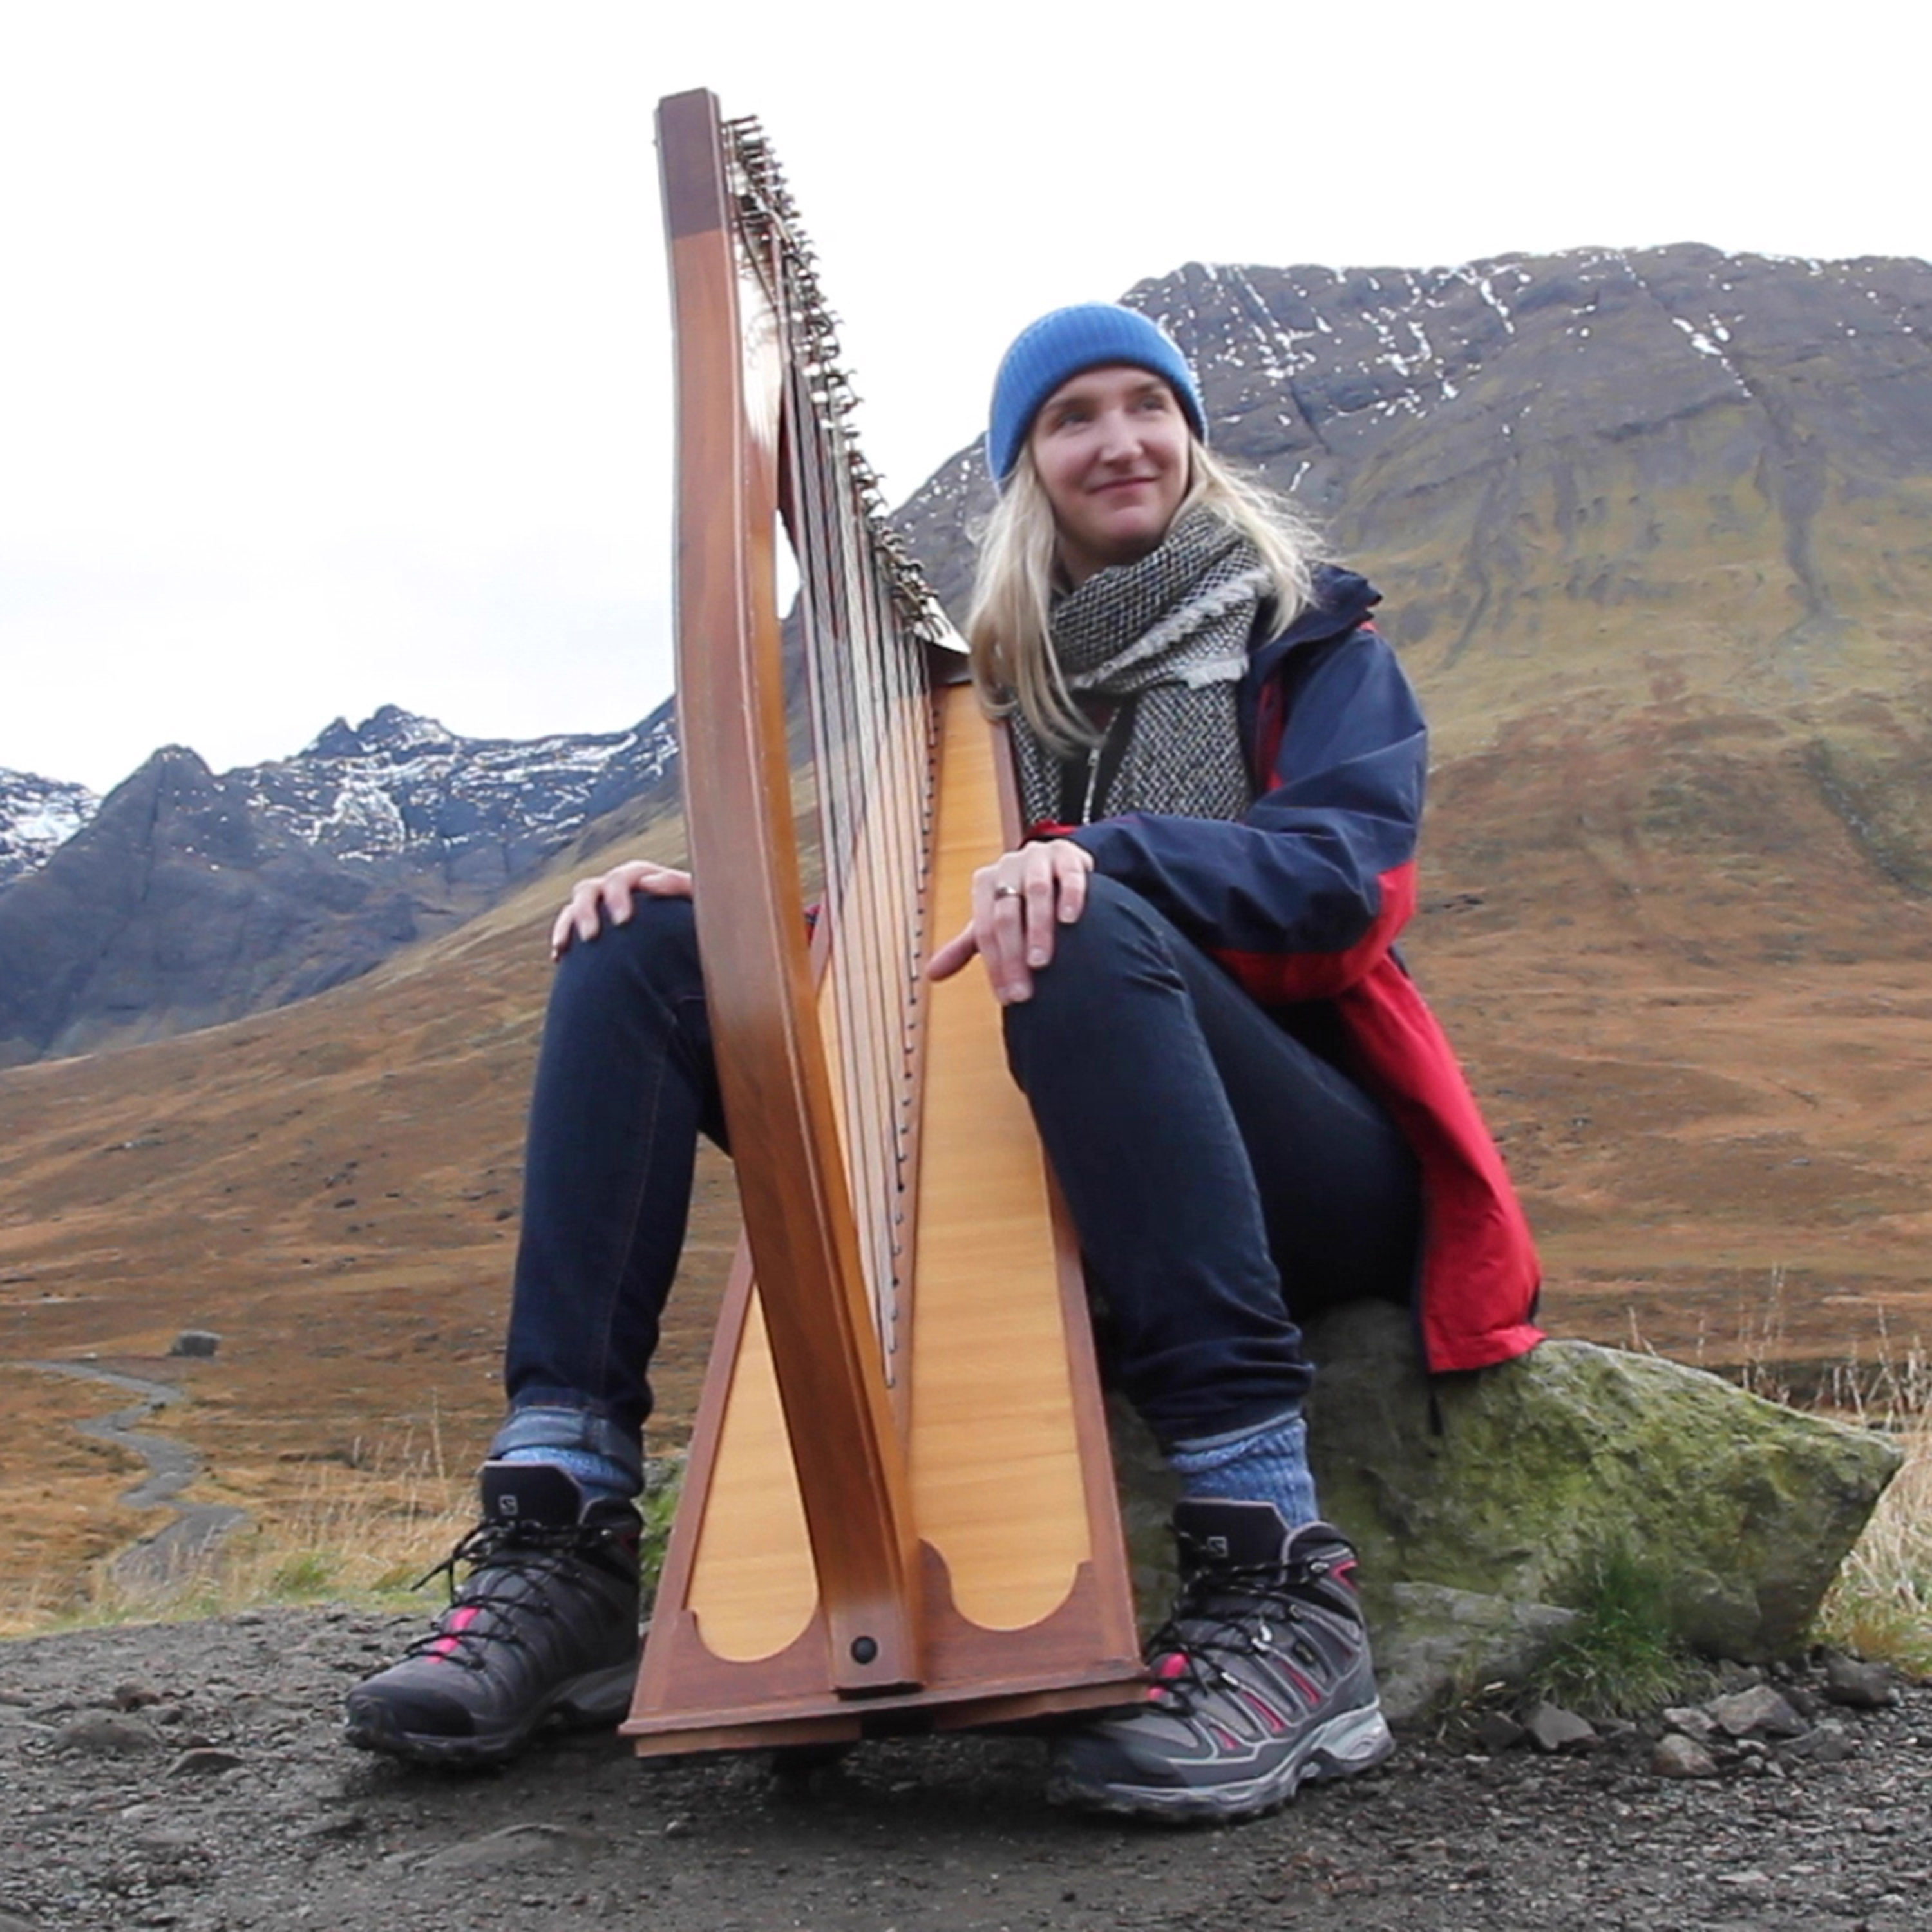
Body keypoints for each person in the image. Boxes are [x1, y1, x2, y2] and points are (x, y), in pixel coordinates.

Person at [345, 303, 1542, 1822]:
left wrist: (1098, 859)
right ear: (1024, 469)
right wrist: (740, 926)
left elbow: (1343, 888)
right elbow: (907, 972)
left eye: (1144, 406)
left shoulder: (1309, 639)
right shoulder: (971, 702)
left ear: (1190, 436)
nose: (1118, 440)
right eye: (1071, 418)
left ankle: (1284, 1584)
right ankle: (564, 1530)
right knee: (637, 950)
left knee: (1084, 917)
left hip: (1301, 1157)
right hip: (1050, 1140)